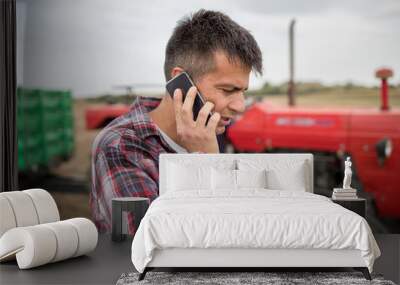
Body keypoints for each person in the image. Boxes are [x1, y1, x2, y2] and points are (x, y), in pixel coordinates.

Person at [89, 9, 263, 234]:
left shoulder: (207, 130)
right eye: (228, 90)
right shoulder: (120, 146)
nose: (240, 106)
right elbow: (152, 245)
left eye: (243, 91)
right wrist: (206, 163)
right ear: (181, 81)